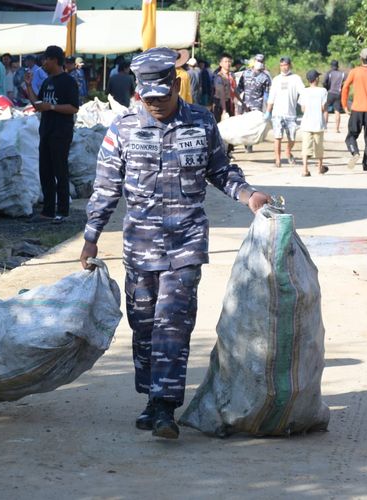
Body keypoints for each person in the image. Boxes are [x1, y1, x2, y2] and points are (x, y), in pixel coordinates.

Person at [79, 47, 270, 440]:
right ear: (139, 93)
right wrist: (91, 236)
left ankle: (166, 407)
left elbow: (221, 170)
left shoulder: (200, 122)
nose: (156, 106)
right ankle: (152, 399)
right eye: (148, 99)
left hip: (186, 242)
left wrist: (247, 194)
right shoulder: (123, 129)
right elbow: (105, 188)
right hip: (140, 247)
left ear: (175, 86)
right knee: (144, 325)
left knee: (173, 323)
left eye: (161, 98)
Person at [25, 46, 79, 224]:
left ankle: (63, 211)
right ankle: (47, 211)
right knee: (45, 171)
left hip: (61, 133)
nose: (43, 63)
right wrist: (28, 85)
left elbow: (73, 107)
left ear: (55, 60)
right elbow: (38, 104)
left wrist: (53, 107)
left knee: (60, 171)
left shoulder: (68, 82)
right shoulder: (48, 82)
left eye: (46, 59)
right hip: (46, 131)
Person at [342, 48, 367, 171]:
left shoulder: (355, 72)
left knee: (351, 137)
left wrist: (344, 105)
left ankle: (355, 153)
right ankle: (366, 164)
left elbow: (345, 87)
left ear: (361, 58)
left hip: (357, 110)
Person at [265, 56, 304, 168]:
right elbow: (271, 97)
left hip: (291, 114)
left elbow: (302, 93)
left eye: (286, 65)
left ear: (290, 65)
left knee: (292, 138)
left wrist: (304, 106)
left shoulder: (296, 78)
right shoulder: (276, 80)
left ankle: (288, 151)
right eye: (282, 65)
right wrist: (268, 111)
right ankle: (277, 159)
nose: (284, 67)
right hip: (277, 113)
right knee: (278, 137)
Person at [298, 69, 329, 177]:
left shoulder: (304, 91)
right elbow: (323, 107)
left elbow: (302, 109)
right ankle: (320, 168)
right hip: (318, 122)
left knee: (306, 147)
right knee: (319, 147)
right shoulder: (323, 91)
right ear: (316, 79)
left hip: (306, 123)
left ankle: (305, 169)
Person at [324, 60, 346, 133]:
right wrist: (342, 87)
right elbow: (346, 82)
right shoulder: (342, 74)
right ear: (337, 66)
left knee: (326, 110)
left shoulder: (329, 73)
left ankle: (325, 127)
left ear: (331, 66)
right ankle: (337, 129)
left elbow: (324, 82)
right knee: (337, 111)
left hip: (330, 92)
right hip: (338, 93)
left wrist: (327, 89)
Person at [212, 54, 235, 121]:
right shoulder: (219, 77)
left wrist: (242, 102)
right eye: (225, 61)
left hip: (228, 103)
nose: (228, 63)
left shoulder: (231, 75)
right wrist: (224, 110)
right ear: (221, 64)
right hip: (219, 104)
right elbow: (221, 93)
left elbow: (234, 90)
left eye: (229, 61)